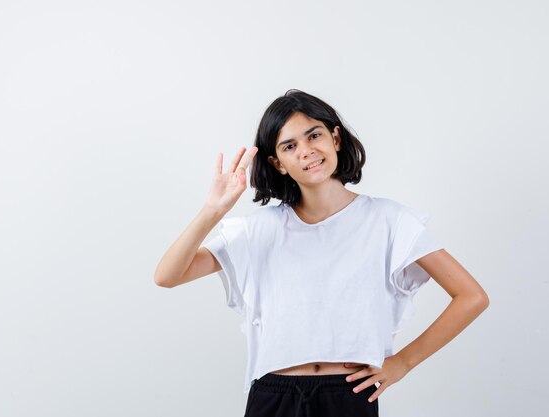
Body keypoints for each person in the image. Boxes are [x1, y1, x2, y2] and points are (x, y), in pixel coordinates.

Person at [154, 89, 490, 417]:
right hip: (274, 393)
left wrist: (403, 362)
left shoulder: (389, 220)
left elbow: (471, 296)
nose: (306, 150)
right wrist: (212, 211)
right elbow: (168, 276)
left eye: (314, 135)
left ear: (336, 139)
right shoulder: (260, 229)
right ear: (278, 163)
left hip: (348, 393)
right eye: (290, 145)